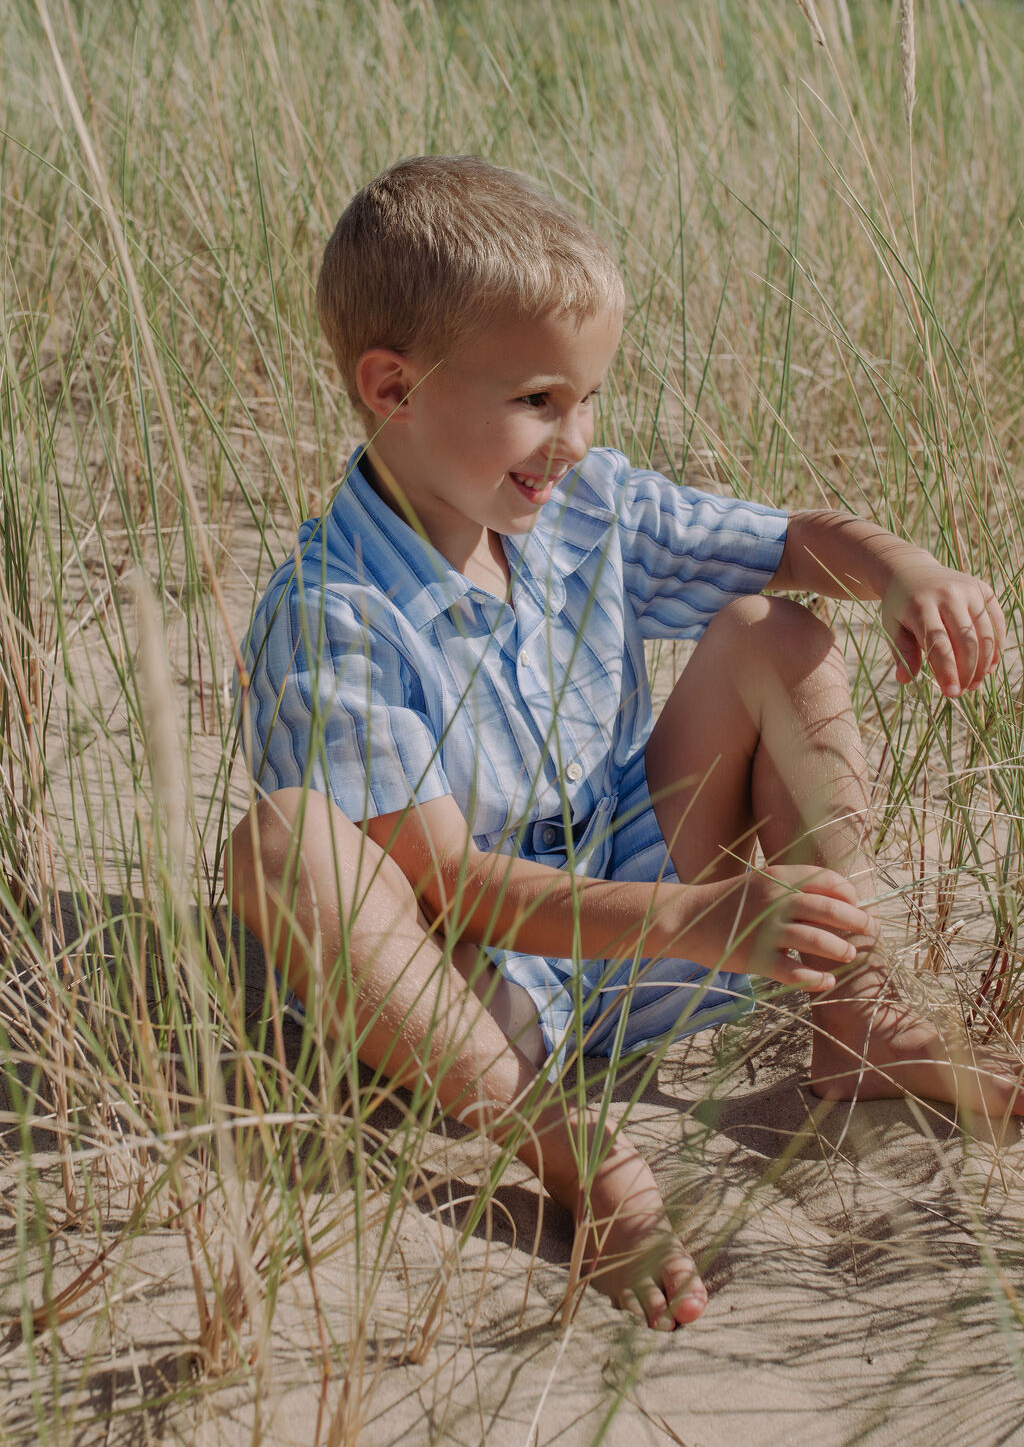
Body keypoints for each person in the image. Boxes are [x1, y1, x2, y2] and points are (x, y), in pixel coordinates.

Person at [229, 155, 1022, 1333]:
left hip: (646, 920)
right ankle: (565, 1150)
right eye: (541, 400)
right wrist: (700, 921)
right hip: (472, 1006)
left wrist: (906, 572)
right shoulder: (332, 611)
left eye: (589, 398)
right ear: (393, 386)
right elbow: (447, 884)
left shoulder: (581, 512)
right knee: (287, 843)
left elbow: (789, 544)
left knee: (775, 632)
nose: (576, 439)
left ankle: (852, 1015)